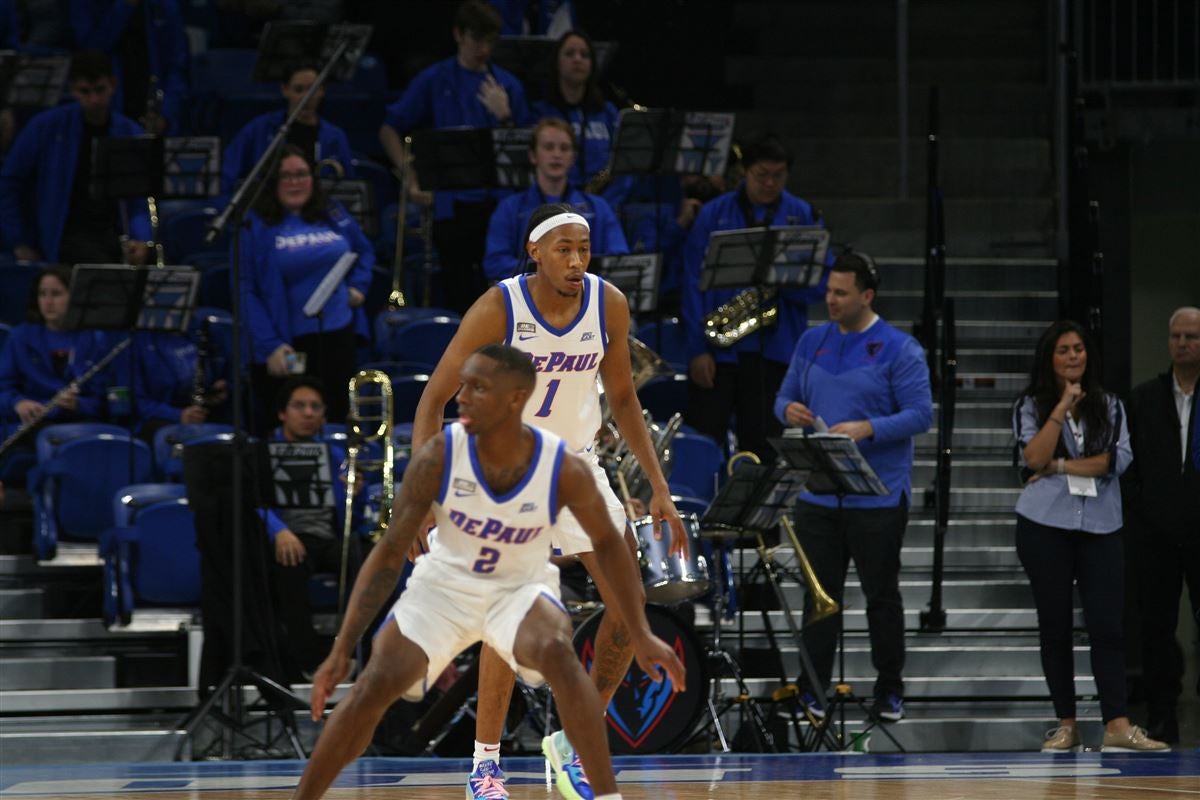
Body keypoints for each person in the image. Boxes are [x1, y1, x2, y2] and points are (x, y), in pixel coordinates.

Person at [291, 343, 685, 800]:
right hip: (442, 589)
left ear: (516, 399)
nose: (462, 397)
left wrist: (640, 632)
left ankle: (602, 790)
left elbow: (611, 549)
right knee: (373, 687)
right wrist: (341, 650)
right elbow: (387, 555)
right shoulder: (440, 455)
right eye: (465, 385)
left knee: (559, 653)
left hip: (517, 590)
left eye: (478, 388)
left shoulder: (562, 465)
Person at [412, 203, 684, 799]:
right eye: (564, 248)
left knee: (629, 601)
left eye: (584, 249)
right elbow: (432, 403)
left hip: (577, 467)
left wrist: (657, 487)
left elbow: (624, 399)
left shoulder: (607, 302)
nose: (577, 260)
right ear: (535, 251)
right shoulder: (499, 307)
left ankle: (575, 742)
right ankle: (484, 764)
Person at [774, 251, 932, 723]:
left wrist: (868, 428)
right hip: (817, 494)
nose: (831, 300)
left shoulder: (900, 349)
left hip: (877, 494)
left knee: (881, 595)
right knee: (819, 597)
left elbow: (921, 414)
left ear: (867, 295)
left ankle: (890, 689)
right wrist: (788, 412)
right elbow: (784, 397)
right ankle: (812, 690)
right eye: (828, 291)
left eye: (841, 293)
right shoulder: (812, 340)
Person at [1012, 320, 1167, 752]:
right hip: (1044, 525)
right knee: (1055, 625)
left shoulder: (1111, 404)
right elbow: (1033, 456)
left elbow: (1112, 463)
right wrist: (1060, 407)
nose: (1073, 356)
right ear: (1050, 358)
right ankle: (1067, 724)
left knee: (1107, 625)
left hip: (1101, 524)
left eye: (1078, 348)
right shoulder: (1030, 404)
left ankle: (1117, 724)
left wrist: (1058, 467)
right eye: (1063, 350)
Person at [378, 0, 532, 314]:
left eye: (490, 41)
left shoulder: (508, 86)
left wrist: (505, 117)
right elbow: (389, 129)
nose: (483, 49)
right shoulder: (435, 79)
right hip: (451, 206)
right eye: (477, 39)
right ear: (458, 35)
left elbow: (527, 151)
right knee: (459, 293)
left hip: (498, 205)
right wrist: (410, 177)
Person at [682, 134, 827, 461]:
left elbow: (819, 285)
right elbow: (692, 283)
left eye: (778, 175)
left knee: (763, 450)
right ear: (744, 172)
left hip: (774, 352)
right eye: (762, 174)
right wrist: (697, 350)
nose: (770, 183)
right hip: (720, 354)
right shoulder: (712, 214)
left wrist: (782, 278)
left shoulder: (803, 214)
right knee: (704, 443)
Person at [237, 145, 374, 436]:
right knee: (293, 429)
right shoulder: (255, 226)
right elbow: (246, 291)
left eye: (301, 174)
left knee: (337, 421)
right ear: (271, 182)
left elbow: (363, 250)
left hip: (337, 336)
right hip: (287, 344)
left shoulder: (332, 212)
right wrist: (270, 344)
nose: (295, 182)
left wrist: (358, 287)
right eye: (285, 176)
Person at [1124, 306, 1200, 745]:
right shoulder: (1145, 397)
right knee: (1156, 625)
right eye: (1176, 336)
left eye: (1191, 336)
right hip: (1156, 531)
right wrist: (1143, 510)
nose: (1183, 343)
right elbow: (1128, 462)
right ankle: (1161, 713)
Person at [0, 49, 151, 265]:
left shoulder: (129, 132)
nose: (94, 99)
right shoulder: (47, 127)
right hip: (61, 234)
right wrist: (18, 240)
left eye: (100, 90)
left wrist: (142, 239)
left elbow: (138, 198)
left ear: (113, 85)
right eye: (85, 91)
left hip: (112, 233)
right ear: (73, 90)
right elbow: (9, 182)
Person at [265, 376, 367, 680]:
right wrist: (278, 531)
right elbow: (254, 504)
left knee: (367, 560)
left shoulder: (336, 456)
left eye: (315, 407)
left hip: (329, 539)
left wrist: (356, 496)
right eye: (299, 406)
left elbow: (355, 522)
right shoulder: (264, 453)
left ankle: (355, 655)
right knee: (288, 566)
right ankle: (308, 663)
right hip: (289, 539)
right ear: (282, 413)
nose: (308, 413)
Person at [483, 117, 627, 283]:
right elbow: (494, 263)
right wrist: (548, 269)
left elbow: (618, 259)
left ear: (573, 158)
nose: (557, 154)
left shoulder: (598, 207)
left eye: (564, 148)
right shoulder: (509, 208)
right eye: (548, 147)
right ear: (533, 155)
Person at [0, 265, 113, 473]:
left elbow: (104, 399)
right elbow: (3, 387)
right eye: (42, 294)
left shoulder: (94, 339)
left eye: (56, 294)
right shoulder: (21, 337)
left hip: (82, 419)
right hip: (33, 422)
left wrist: (79, 404)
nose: (48, 302)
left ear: (74, 297)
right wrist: (18, 403)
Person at [221, 61, 356, 197]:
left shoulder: (335, 137)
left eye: (312, 89)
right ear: (285, 90)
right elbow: (227, 173)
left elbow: (348, 186)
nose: (306, 97)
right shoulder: (259, 129)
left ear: (322, 91)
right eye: (298, 89)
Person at [530, 30, 629, 206]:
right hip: (552, 204)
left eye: (585, 55)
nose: (578, 59)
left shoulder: (608, 112)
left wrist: (603, 206)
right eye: (569, 54)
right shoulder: (540, 112)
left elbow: (623, 167)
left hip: (603, 204)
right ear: (557, 64)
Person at [67, 0, 190, 135]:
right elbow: (90, 52)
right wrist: (125, 6)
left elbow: (177, 66)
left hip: (151, 105)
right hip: (105, 110)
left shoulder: (164, 5)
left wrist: (167, 114)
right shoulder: (85, 5)